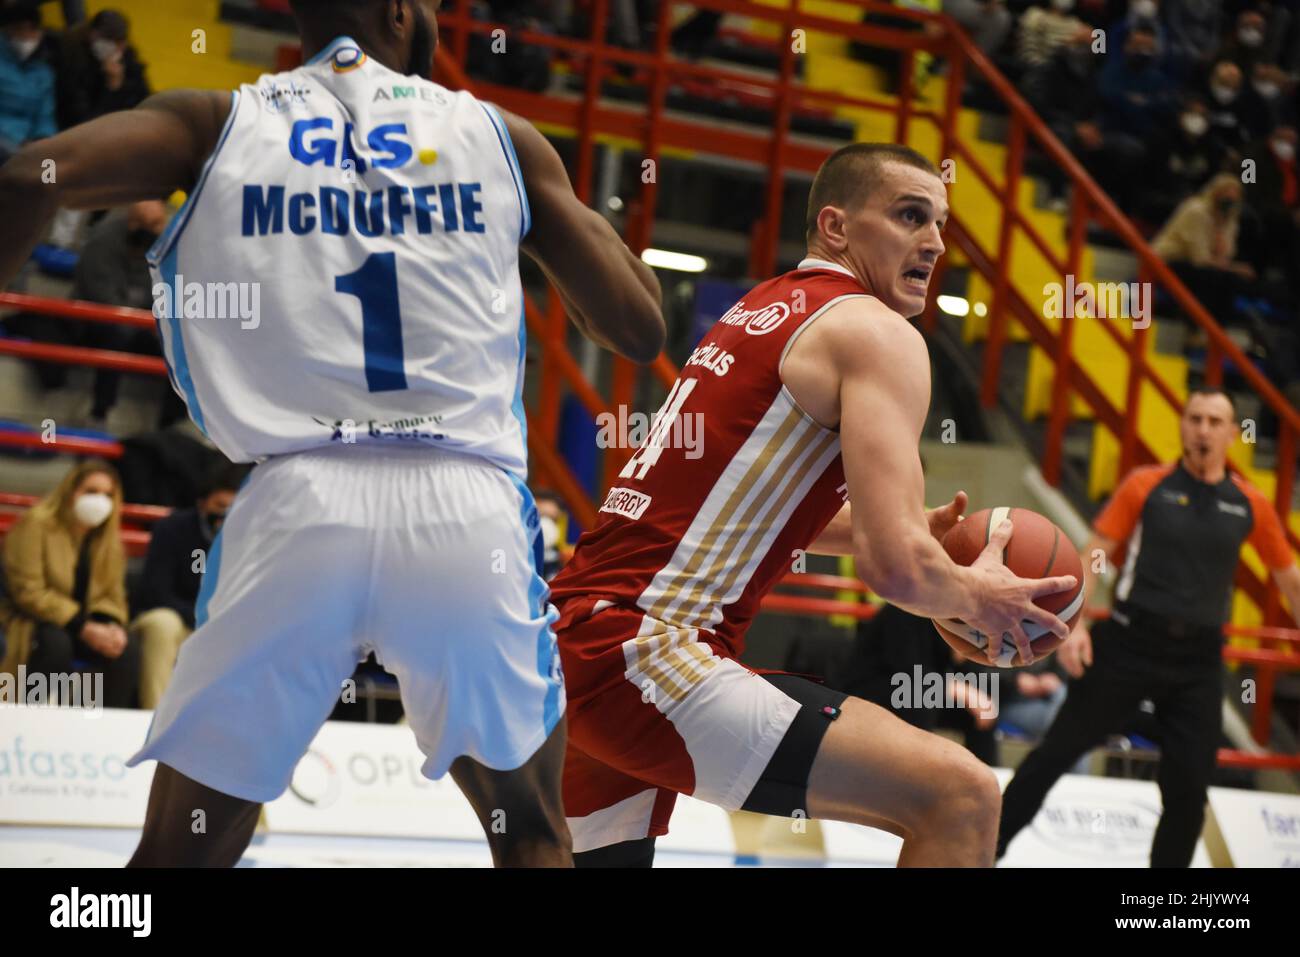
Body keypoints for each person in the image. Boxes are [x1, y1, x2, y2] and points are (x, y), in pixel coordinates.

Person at [0, 0, 666, 868]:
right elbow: (641, 329)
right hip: (464, 512)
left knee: (178, 852)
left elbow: (24, 177)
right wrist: (543, 222)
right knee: (532, 832)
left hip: (296, 504)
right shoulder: (496, 134)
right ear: (399, 11)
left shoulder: (217, 120)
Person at [545, 143, 1078, 868]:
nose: (934, 241)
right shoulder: (878, 333)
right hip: (646, 655)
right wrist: (969, 594)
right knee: (962, 795)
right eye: (909, 215)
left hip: (573, 642)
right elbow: (894, 572)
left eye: (941, 223)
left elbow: (737, 504)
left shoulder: (763, 308)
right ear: (835, 227)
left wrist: (910, 537)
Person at [998, 388, 1300, 867]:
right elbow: (1094, 554)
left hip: (1199, 662)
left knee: (1187, 793)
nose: (1203, 429)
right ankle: (976, 855)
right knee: (1052, 757)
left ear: (1231, 434)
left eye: (1214, 421)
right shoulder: (1146, 486)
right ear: (1183, 427)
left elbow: (1290, 582)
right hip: (1127, 644)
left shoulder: (1249, 505)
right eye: (1195, 418)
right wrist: (1073, 624)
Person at [0, 458, 137, 707]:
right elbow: (28, 592)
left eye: (108, 494)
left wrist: (110, 627)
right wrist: (83, 626)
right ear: (71, 492)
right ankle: (30, 720)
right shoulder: (36, 524)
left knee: (126, 650)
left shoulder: (109, 542)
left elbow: (114, 596)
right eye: (91, 491)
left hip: (84, 627)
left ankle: (103, 733)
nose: (99, 501)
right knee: (56, 644)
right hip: (32, 620)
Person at [131, 464, 245, 709]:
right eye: (220, 507)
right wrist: (204, 619)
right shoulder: (172, 529)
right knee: (163, 623)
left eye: (235, 508)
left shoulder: (249, 539)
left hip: (220, 629)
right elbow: (156, 592)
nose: (226, 515)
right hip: (176, 622)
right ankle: (155, 718)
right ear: (202, 503)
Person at [0, 2, 55, 164]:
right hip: (6, 141)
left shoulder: (43, 72)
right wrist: (18, 141)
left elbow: (45, 115)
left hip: (29, 144)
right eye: (20, 29)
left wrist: (43, 138)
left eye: (33, 29)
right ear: (7, 30)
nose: (26, 35)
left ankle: (48, 185)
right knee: (25, 163)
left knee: (50, 166)